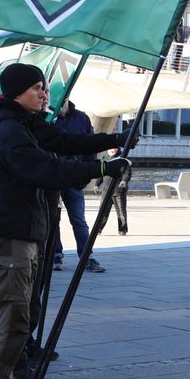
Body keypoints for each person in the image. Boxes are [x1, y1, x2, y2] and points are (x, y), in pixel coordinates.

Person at [0, 63, 130, 379]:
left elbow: (63, 142)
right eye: (36, 88)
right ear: (16, 93)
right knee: (15, 319)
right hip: (14, 235)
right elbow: (44, 169)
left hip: (26, 232)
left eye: (44, 88)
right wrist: (100, 170)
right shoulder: (11, 131)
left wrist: (112, 141)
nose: (44, 94)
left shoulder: (25, 123)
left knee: (14, 316)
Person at [51, 99, 105, 273]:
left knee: (79, 219)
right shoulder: (47, 118)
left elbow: (90, 146)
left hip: (74, 175)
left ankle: (86, 256)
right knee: (53, 219)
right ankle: (55, 255)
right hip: (53, 175)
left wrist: (88, 172)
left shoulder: (82, 118)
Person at [106, 147, 131, 235]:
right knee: (104, 211)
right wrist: (97, 184)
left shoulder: (122, 159)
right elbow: (101, 172)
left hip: (118, 190)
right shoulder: (105, 159)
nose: (112, 150)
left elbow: (127, 172)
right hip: (107, 190)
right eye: (110, 148)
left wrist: (124, 180)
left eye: (114, 148)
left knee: (121, 211)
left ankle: (123, 229)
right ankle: (98, 229)